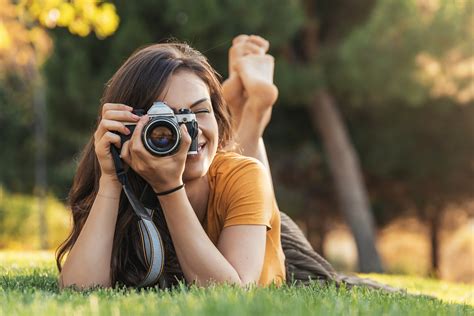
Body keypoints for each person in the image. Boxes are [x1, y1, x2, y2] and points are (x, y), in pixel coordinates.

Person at [56, 34, 394, 291]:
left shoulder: (241, 176)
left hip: (271, 244)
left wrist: (168, 188)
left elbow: (234, 290)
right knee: (231, 164)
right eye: (166, 121)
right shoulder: (120, 176)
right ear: (129, 126)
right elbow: (78, 289)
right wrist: (112, 180)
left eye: (199, 111)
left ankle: (252, 114)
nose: (183, 131)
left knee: (246, 171)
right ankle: (242, 104)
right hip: (230, 207)